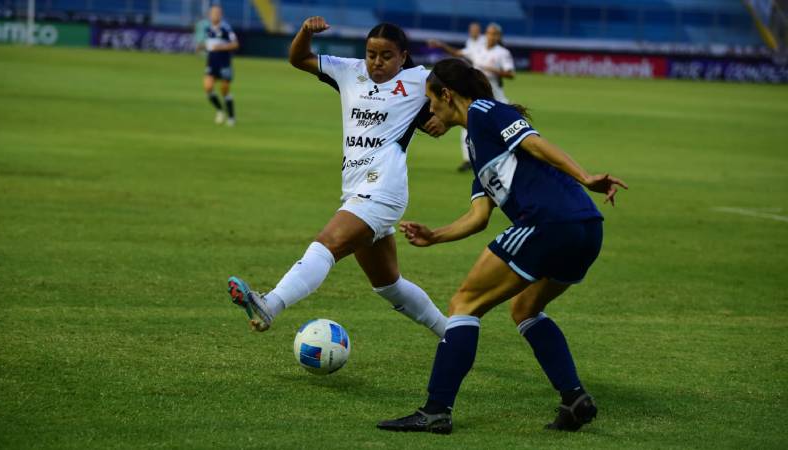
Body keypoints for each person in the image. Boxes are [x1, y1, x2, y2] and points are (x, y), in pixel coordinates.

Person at [377, 58, 628, 434]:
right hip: (585, 229)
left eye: (431, 100)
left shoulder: (484, 111)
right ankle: (574, 398)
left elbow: (534, 142)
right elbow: (478, 216)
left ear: (447, 94)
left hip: (549, 221)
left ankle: (436, 410)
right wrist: (435, 236)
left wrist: (585, 176)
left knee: (464, 304)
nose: (429, 110)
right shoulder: (478, 144)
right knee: (526, 307)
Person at [226, 17, 450, 339]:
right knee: (389, 286)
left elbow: (466, 103)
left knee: (327, 244)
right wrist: (304, 32)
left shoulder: (421, 80)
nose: (377, 62)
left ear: (403, 56)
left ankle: (270, 304)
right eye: (371, 54)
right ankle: (453, 332)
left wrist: (445, 120)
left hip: (384, 187)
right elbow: (298, 58)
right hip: (356, 189)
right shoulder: (349, 71)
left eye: (386, 56)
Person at [429, 23, 514, 172]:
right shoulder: (477, 49)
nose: (491, 36)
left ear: (499, 36)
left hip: (497, 98)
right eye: (489, 33)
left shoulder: (503, 53)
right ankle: (469, 160)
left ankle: (508, 157)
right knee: (467, 127)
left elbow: (510, 74)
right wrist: (441, 45)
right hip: (478, 97)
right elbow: (458, 53)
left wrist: (493, 70)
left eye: (494, 34)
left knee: (503, 130)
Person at [199, 5, 239, 126]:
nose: (215, 15)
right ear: (210, 15)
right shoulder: (208, 29)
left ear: (220, 15)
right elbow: (208, 45)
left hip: (224, 63)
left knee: (224, 90)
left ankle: (231, 117)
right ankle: (220, 110)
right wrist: (202, 47)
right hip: (211, 63)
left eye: (217, 13)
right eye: (213, 13)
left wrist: (221, 47)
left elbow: (235, 44)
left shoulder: (226, 28)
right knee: (208, 87)